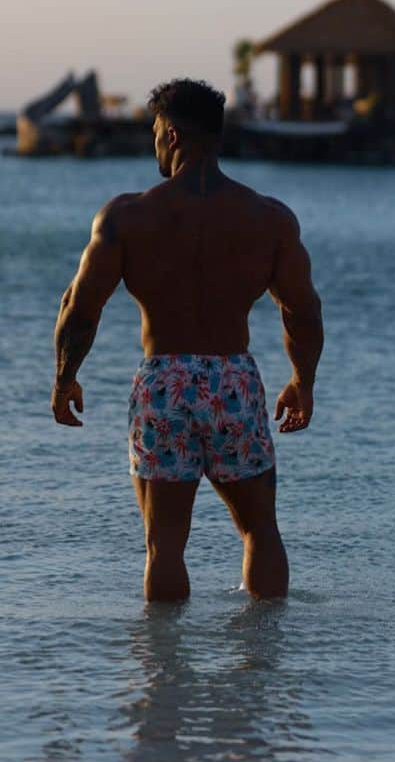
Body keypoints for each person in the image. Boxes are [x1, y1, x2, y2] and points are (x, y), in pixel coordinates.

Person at [52, 78, 323, 602]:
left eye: (156, 132)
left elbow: (80, 307)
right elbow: (303, 310)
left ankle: (164, 678)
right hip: (233, 381)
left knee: (164, 545)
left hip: (164, 382)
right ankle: (262, 667)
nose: (154, 143)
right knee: (260, 533)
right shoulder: (269, 219)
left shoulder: (127, 217)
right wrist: (302, 383)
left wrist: (65, 378)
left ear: (173, 135)